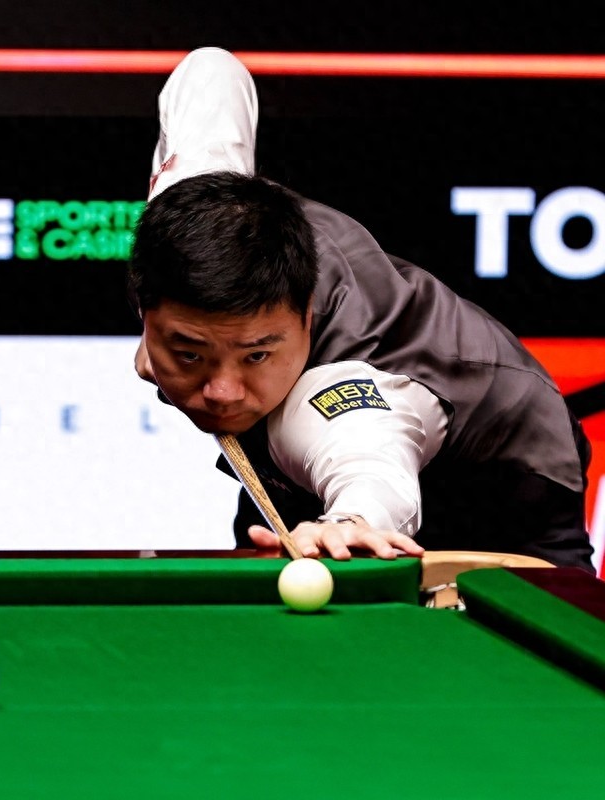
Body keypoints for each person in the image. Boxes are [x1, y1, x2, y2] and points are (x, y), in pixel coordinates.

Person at [130, 48, 594, 570]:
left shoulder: (337, 398)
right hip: (300, 472)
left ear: (307, 315)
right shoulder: (187, 218)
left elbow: (370, 462)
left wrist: (352, 522)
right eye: (190, 353)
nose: (223, 392)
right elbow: (211, 70)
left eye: (256, 355)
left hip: (499, 477)